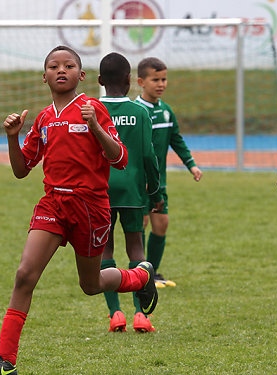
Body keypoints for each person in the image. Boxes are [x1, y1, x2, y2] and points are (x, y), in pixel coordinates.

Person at [0, 46, 158, 375]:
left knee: (90, 285)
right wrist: (12, 137)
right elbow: (21, 170)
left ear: (81, 75)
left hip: (90, 207)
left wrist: (97, 128)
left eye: (69, 65)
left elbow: (120, 158)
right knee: (24, 276)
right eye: (54, 66)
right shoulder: (45, 118)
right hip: (53, 204)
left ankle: (140, 277)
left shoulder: (93, 108)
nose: (61, 70)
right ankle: (6, 361)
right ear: (44, 76)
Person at [98, 52, 164, 333]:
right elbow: (149, 157)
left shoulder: (91, 110)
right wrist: (156, 192)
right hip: (134, 191)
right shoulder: (140, 113)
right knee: (136, 247)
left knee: (105, 249)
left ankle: (115, 314)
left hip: (99, 191)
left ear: (100, 80)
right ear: (129, 80)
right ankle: (141, 314)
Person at [135, 57, 203, 288]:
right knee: (141, 224)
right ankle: (140, 275)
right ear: (141, 82)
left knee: (161, 224)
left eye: (164, 79)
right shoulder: (136, 111)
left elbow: (176, 139)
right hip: (139, 183)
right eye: (156, 79)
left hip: (159, 183)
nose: (161, 84)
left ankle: (152, 274)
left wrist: (191, 164)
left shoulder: (166, 111)